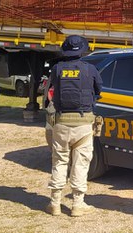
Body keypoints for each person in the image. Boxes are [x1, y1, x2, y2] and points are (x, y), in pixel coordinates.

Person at [45, 35, 102, 217]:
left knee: (59, 161)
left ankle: (54, 203)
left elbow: (49, 90)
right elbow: (99, 89)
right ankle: (77, 204)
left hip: (61, 123)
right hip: (84, 124)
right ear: (83, 50)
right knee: (80, 163)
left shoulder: (57, 69)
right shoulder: (90, 69)